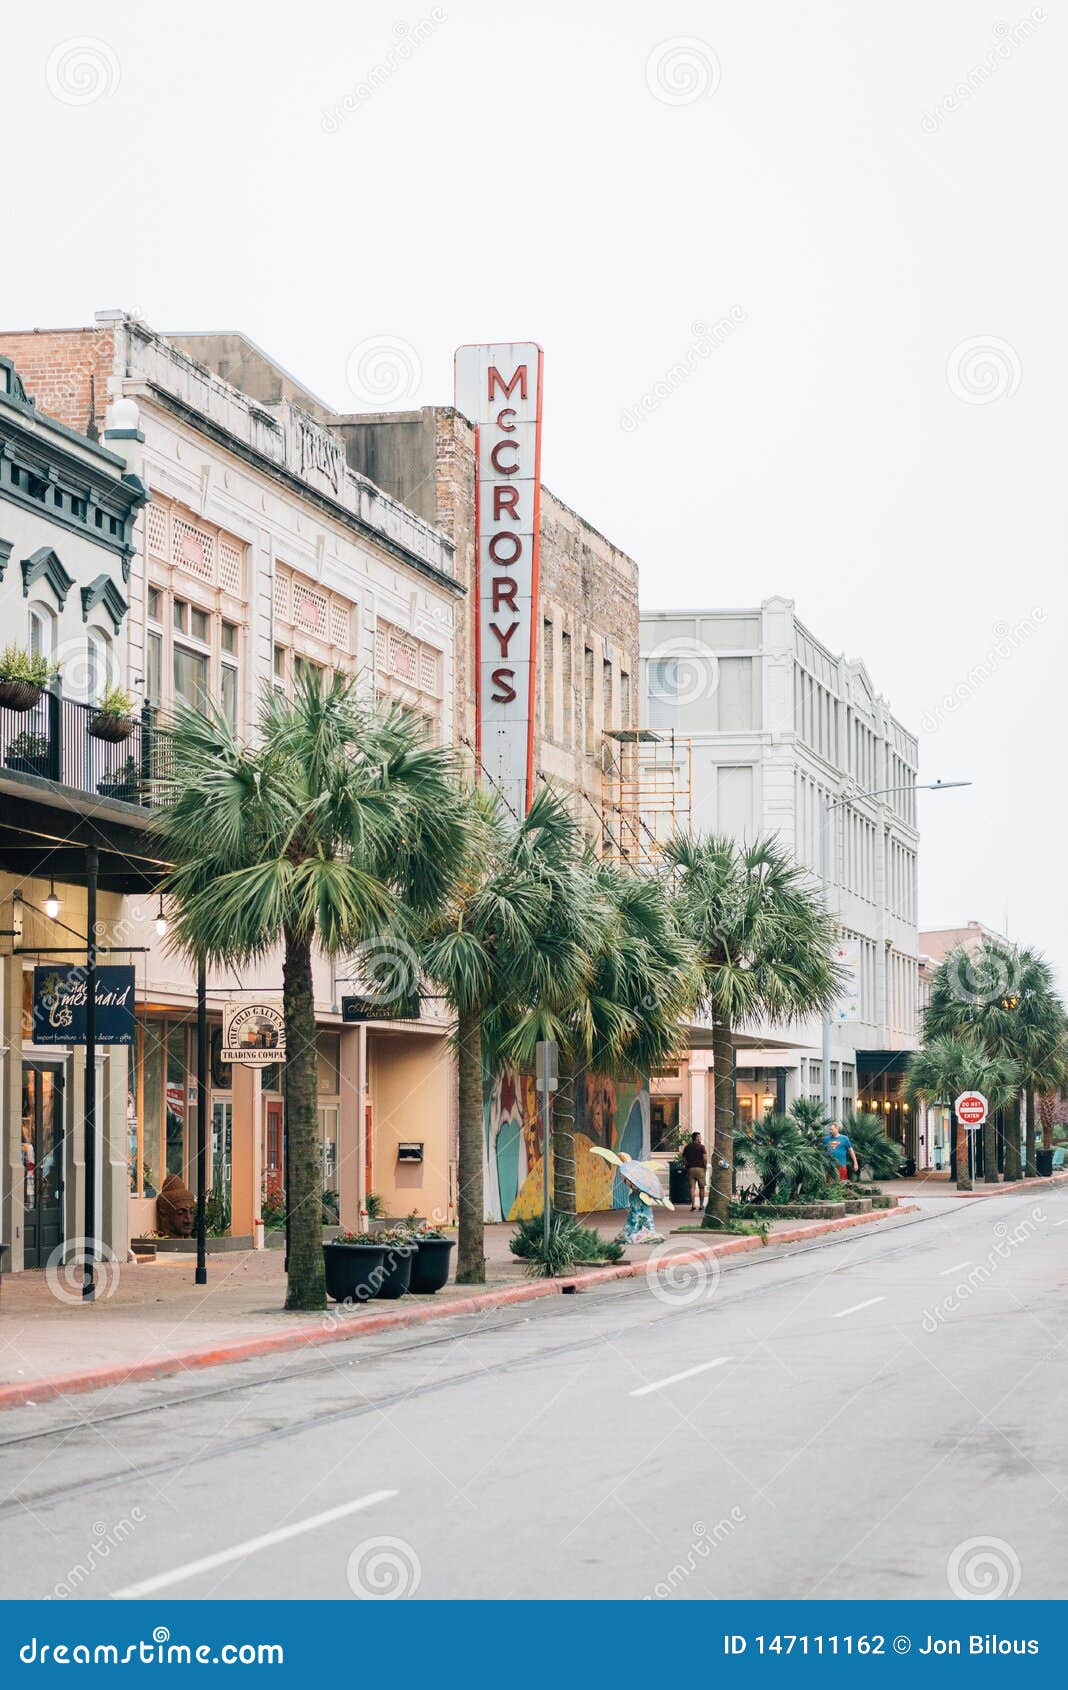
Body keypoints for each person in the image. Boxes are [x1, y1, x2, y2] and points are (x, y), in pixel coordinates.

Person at [681, 1131, 707, 1210]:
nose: (701, 1138)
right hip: (700, 1169)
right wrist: (705, 1167)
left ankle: (693, 1205)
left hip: (690, 1169)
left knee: (692, 1188)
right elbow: (705, 1158)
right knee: (701, 1187)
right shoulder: (702, 1147)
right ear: (697, 1138)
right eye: (700, 1137)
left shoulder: (687, 1147)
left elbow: (684, 1158)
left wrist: (686, 1166)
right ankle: (701, 1205)